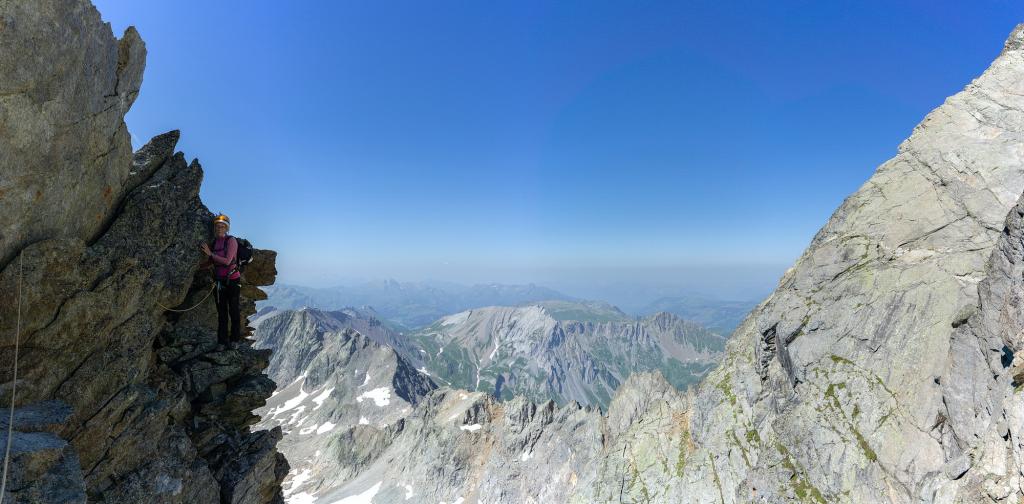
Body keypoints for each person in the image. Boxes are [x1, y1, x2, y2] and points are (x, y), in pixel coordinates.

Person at [200, 214, 241, 345]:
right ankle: (222, 342)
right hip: (219, 281)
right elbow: (212, 261)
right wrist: (198, 267)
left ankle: (234, 340)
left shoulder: (231, 241)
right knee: (222, 313)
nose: (219, 228)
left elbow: (228, 261)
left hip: (233, 280)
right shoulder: (214, 243)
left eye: (222, 226)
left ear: (227, 228)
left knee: (233, 310)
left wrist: (210, 253)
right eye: (217, 226)